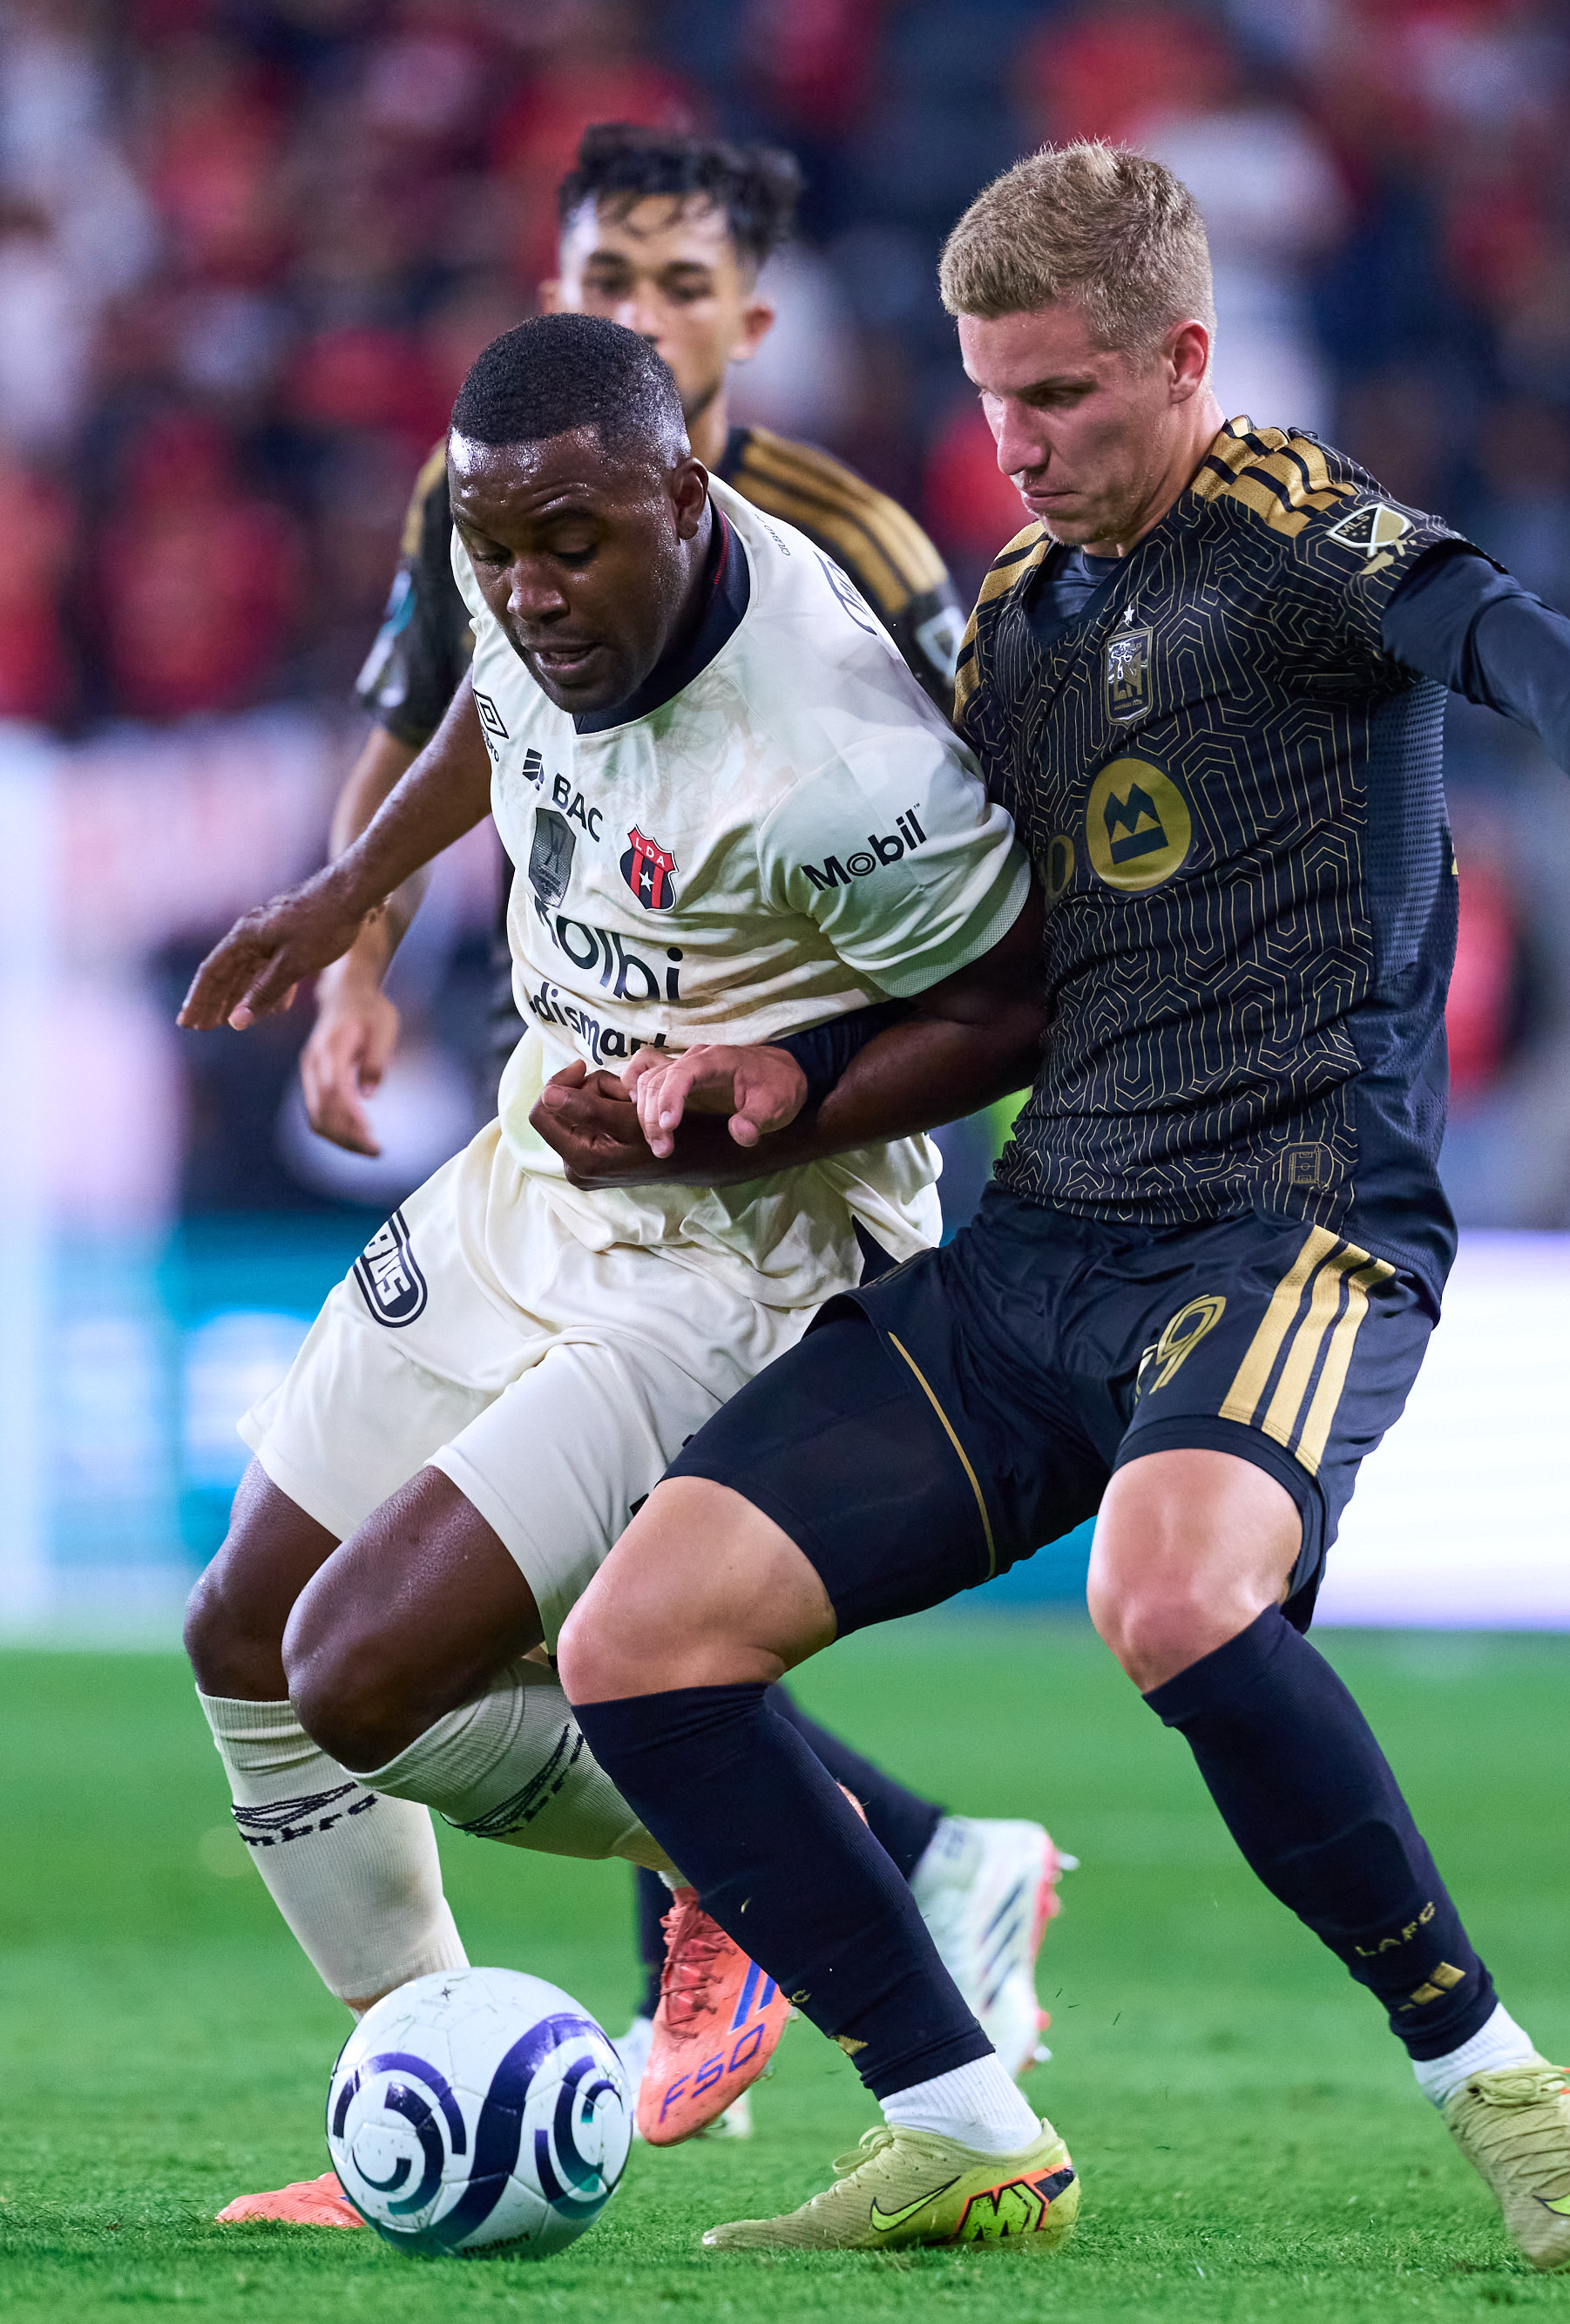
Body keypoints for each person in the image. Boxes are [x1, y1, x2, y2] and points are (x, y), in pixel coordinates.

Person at [556, 145, 1570, 2262]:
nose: (1018, 443)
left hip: (1287, 1218)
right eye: (993, 398)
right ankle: (953, 2115)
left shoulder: (1277, 523)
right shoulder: (1019, 615)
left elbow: (1475, 614)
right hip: (1043, 1245)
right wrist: (769, 1080)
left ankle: (1495, 2074)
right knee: (632, 1643)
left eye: (1064, 398)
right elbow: (997, 986)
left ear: (1183, 362)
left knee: (1169, 1592)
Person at [172, 312, 1049, 2225]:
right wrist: (349, 901)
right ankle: (429, 2075)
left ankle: (762, 1857)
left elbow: (1013, 1001)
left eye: (568, 543)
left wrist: (743, 1100)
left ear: (685, 489)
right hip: (533, 1172)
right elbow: (497, 712)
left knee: (360, 1671)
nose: (527, 588)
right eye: (497, 550)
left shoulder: (827, 744)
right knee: (244, 1635)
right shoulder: (530, 563)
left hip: (738, 1256)